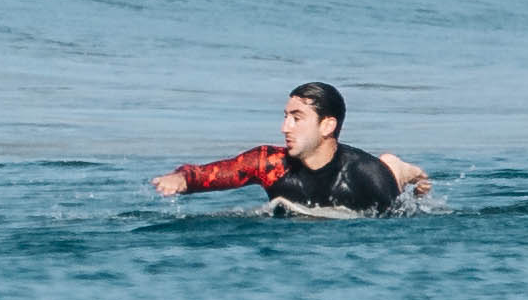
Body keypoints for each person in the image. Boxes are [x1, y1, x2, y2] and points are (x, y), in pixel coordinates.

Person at [153, 80, 428, 215]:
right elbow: (212, 173)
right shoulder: (270, 164)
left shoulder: (365, 176)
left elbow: (396, 221)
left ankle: (397, 168)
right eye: (285, 117)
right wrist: (182, 178)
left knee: (390, 172)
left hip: (379, 175)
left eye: (297, 118)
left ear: (327, 126)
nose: (285, 127)